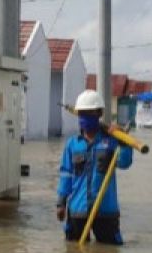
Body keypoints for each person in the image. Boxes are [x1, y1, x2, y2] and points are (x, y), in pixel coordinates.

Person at [56, 89, 133, 244]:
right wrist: (61, 203)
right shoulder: (73, 144)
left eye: (90, 113)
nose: (85, 118)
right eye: (82, 114)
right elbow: (66, 174)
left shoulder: (111, 141)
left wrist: (123, 142)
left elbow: (125, 163)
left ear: (99, 114)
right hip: (78, 210)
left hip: (105, 211)